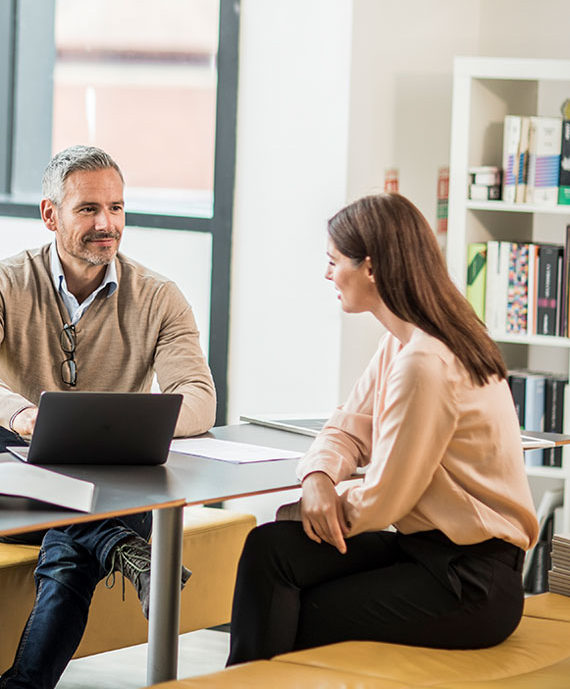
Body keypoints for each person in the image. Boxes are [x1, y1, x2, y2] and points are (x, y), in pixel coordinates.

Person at [0, 145, 216, 689]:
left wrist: (111, 425)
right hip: (16, 498)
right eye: (88, 209)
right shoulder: (1, 282)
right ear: (50, 215)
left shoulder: (160, 297)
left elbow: (199, 397)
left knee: (72, 550)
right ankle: (117, 544)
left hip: (102, 493)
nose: (106, 224)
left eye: (115, 208)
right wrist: (22, 416)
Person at [227, 192, 540, 665]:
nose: (327, 274)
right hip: (423, 551)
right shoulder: (404, 342)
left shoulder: (425, 361)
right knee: (269, 550)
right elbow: (349, 427)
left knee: (299, 612)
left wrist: (313, 509)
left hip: (471, 581)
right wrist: (318, 479)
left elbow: (387, 497)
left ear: (370, 267)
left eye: (333, 261)